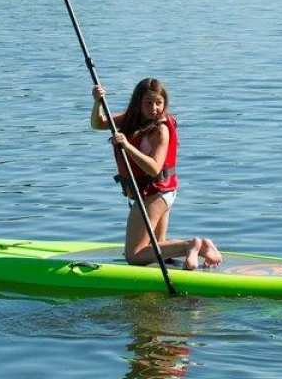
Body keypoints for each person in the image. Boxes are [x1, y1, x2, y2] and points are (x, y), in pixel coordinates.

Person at [91, 78, 223, 271]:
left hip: (155, 193)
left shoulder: (161, 130)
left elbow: (154, 168)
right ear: (138, 103)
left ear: (164, 103)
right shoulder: (131, 119)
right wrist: (97, 102)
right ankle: (202, 247)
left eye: (158, 103)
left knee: (135, 256)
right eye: (148, 103)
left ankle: (189, 245)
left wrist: (126, 146)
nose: (154, 108)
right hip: (160, 192)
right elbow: (98, 123)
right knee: (158, 248)